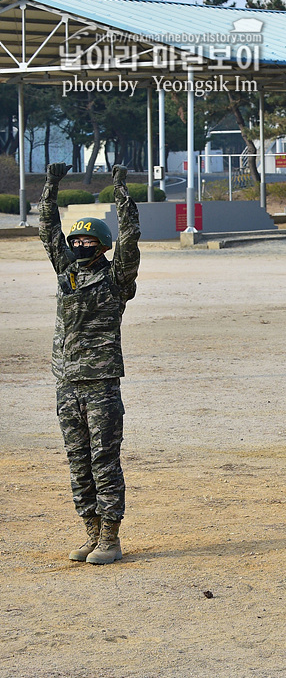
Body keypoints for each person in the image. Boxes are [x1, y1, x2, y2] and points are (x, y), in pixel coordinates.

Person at [40, 163, 140, 565]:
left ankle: (111, 538)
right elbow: (48, 233)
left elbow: (131, 238)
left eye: (86, 239)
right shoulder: (67, 273)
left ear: (100, 245)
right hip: (66, 381)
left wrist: (121, 192)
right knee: (77, 460)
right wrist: (50, 187)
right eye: (75, 239)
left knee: (103, 459)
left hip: (100, 381)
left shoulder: (117, 278)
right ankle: (90, 532)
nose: (78, 244)